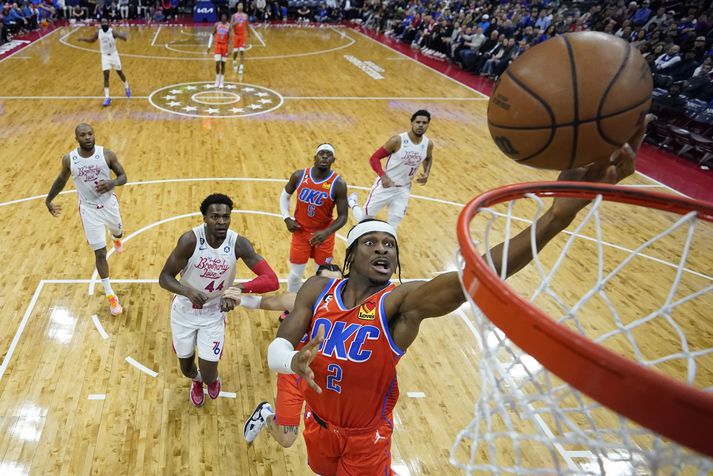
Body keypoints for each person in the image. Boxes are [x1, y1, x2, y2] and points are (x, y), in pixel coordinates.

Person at [267, 121, 649, 475]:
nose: (383, 249)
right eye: (371, 242)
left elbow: (477, 275)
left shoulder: (400, 303)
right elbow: (277, 348)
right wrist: (291, 359)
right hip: (317, 425)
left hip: (366, 439)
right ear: (351, 255)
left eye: (390, 244)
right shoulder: (319, 290)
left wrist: (555, 219)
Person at [158, 193, 279, 407]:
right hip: (184, 311)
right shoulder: (190, 240)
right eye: (215, 217)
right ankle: (195, 382)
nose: (221, 222)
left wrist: (236, 289)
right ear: (204, 217)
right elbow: (164, 277)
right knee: (186, 369)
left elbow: (271, 280)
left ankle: (207, 380)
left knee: (209, 373)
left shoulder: (238, 243)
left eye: (226, 216)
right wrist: (187, 292)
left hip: (213, 314)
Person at [224, 263, 343, 447]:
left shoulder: (352, 311)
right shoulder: (298, 301)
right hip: (293, 375)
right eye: (328, 282)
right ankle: (264, 414)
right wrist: (241, 299)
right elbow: (265, 302)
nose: (334, 287)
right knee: (287, 439)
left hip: (327, 378)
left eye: (339, 282)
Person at [45, 123, 127, 316]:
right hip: (89, 211)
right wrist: (49, 199)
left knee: (118, 231)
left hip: (109, 205)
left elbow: (124, 176)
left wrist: (112, 183)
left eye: (90, 133)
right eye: (83, 135)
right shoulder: (69, 159)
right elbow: (60, 180)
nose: (88, 137)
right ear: (77, 139)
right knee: (100, 253)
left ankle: (116, 237)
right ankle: (110, 295)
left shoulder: (107, 154)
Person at [280, 143, 348, 293]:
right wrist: (286, 218)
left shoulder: (338, 184)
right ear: (314, 157)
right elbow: (284, 196)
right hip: (301, 232)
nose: (324, 156)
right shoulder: (299, 175)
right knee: (296, 273)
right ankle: (292, 305)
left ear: (333, 160)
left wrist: (327, 232)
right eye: (321, 153)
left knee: (322, 275)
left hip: (324, 236)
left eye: (328, 154)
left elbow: (343, 216)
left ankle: (318, 306)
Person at [348, 110, 433, 230]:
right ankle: (352, 203)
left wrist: (426, 173)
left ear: (428, 124)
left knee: (393, 224)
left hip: (403, 189)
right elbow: (374, 158)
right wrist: (383, 176)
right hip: (385, 186)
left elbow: (428, 158)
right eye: (418, 122)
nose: (420, 125)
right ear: (412, 123)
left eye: (424, 123)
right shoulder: (397, 141)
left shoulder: (428, 144)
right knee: (364, 219)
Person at [78, 17, 130, 107]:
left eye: (106, 22)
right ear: (101, 24)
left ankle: (126, 86)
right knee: (106, 76)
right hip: (105, 56)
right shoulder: (98, 32)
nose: (105, 23)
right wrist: (82, 39)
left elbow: (124, 38)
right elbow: (91, 40)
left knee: (120, 73)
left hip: (114, 55)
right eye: (103, 22)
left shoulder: (112, 32)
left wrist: (123, 35)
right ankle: (107, 97)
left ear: (108, 23)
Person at [207, 13, 230, 88]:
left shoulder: (229, 26)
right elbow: (212, 35)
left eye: (225, 16)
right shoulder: (217, 24)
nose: (223, 17)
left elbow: (231, 38)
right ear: (221, 17)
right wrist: (209, 46)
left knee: (223, 64)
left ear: (227, 17)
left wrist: (230, 49)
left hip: (225, 46)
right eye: (222, 16)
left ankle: (222, 82)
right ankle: (217, 80)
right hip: (218, 45)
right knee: (217, 63)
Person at [231, 3, 248, 74]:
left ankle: (241, 66)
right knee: (235, 51)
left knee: (241, 51)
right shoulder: (234, 16)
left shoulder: (245, 15)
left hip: (243, 35)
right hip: (236, 35)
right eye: (239, 5)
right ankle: (234, 61)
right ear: (237, 7)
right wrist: (235, 22)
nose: (241, 6)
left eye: (242, 5)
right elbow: (231, 25)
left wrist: (249, 33)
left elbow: (247, 24)